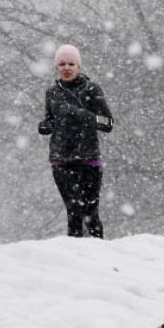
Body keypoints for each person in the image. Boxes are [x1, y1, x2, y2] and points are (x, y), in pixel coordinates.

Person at [38, 44, 113, 238]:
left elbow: (108, 123)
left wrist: (83, 115)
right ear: (56, 68)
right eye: (61, 64)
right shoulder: (52, 93)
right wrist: (46, 126)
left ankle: (99, 251)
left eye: (71, 63)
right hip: (61, 159)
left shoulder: (91, 89)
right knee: (73, 211)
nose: (66, 68)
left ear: (79, 66)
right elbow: (51, 119)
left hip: (88, 159)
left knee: (90, 212)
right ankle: (75, 256)